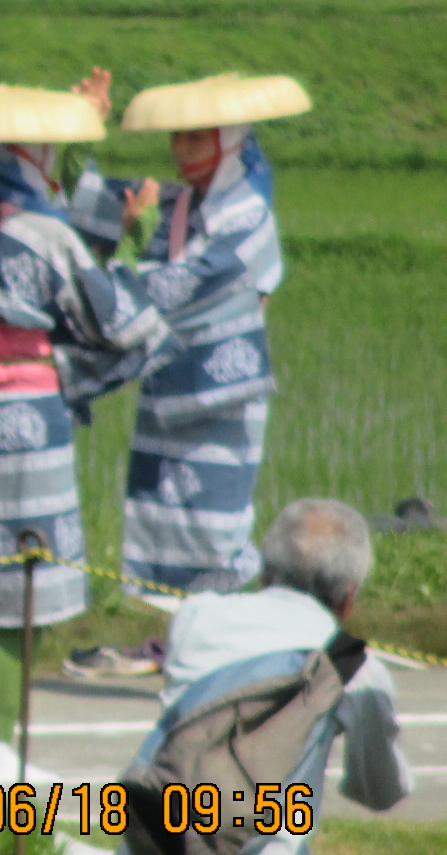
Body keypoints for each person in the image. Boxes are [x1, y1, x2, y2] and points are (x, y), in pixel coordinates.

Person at [0, 86, 176, 785]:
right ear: (25, 155)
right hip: (23, 428)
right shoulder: (46, 236)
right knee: (20, 592)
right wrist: (133, 246)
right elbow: (116, 321)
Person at [114, 499, 445, 855]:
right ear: (349, 599)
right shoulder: (353, 667)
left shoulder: (196, 618)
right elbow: (378, 794)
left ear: (265, 570)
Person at [67, 71, 308, 604]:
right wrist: (80, 126)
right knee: (160, 517)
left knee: (213, 525)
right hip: (166, 393)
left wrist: (128, 247)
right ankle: (167, 634)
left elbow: (177, 288)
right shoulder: (175, 205)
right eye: (177, 136)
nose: (180, 149)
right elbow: (83, 203)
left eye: (196, 136)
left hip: (219, 403)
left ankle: (214, 631)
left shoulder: (248, 221)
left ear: (230, 140)